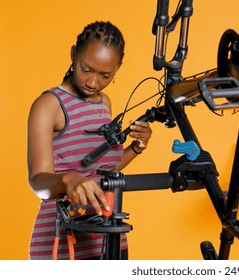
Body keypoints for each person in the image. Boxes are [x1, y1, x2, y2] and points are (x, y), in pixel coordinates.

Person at [27, 21, 152, 260]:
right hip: (61, 244)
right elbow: (38, 183)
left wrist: (136, 148)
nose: (93, 82)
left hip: (108, 237)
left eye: (105, 75)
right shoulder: (49, 105)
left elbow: (102, 172)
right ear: (74, 54)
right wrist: (69, 180)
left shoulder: (104, 103)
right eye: (86, 69)